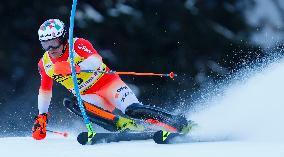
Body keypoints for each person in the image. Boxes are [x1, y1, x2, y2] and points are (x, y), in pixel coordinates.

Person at [32, 19, 191, 140]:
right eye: (45, 45)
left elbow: (96, 60)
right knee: (72, 103)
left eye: (53, 43)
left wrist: (72, 67)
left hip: (108, 85)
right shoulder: (44, 64)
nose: (50, 49)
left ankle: (180, 123)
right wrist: (42, 116)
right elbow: (45, 90)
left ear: (63, 39)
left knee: (133, 110)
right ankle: (124, 125)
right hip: (90, 96)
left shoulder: (78, 44)